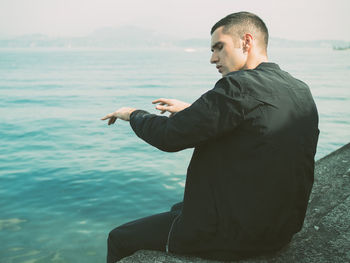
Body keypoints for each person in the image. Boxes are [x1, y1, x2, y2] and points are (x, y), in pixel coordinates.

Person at [101, 11, 319, 263]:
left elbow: (168, 137)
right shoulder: (299, 89)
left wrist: (133, 114)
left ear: (246, 42)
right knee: (177, 207)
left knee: (119, 238)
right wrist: (193, 111)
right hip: (280, 229)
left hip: (236, 236)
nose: (213, 58)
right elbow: (255, 122)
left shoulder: (238, 85)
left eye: (219, 47)